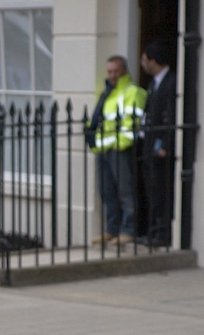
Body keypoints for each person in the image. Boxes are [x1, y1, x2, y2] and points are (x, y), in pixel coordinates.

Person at [87, 56, 146, 246]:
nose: (112, 75)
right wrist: (94, 141)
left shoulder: (133, 92)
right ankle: (111, 229)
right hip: (103, 147)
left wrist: (121, 144)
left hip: (120, 148)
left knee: (125, 191)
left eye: (116, 71)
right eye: (109, 71)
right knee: (106, 192)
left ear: (124, 71)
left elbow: (131, 121)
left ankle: (128, 229)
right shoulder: (107, 93)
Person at [138, 41, 176, 248]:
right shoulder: (154, 83)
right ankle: (152, 230)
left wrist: (164, 145)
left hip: (159, 147)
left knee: (161, 191)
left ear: (153, 61)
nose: (142, 64)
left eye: (144, 60)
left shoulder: (171, 82)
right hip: (148, 144)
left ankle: (162, 232)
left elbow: (170, 117)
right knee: (151, 190)